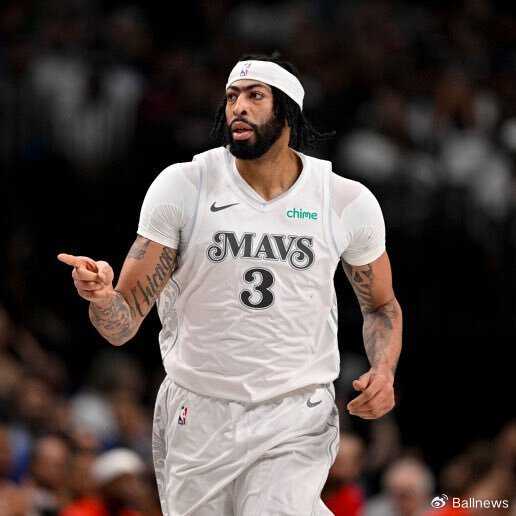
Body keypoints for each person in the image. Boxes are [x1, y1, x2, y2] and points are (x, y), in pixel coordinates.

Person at [58, 53, 403, 515]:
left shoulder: (343, 200)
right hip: (198, 412)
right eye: (231, 97)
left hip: (294, 411)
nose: (238, 107)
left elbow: (381, 306)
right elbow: (121, 326)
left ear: (287, 112)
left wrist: (384, 370)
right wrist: (102, 298)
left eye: (255, 96)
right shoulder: (184, 186)